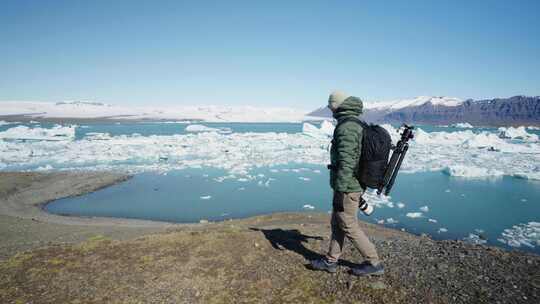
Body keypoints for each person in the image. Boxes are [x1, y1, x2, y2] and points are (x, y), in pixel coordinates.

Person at [310, 91, 384, 276]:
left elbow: (347, 163)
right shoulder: (352, 122)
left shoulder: (347, 127)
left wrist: (341, 191)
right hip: (348, 185)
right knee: (337, 223)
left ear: (337, 105)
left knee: (348, 224)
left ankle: (373, 262)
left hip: (347, 187)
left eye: (330, 105)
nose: (329, 108)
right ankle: (331, 261)